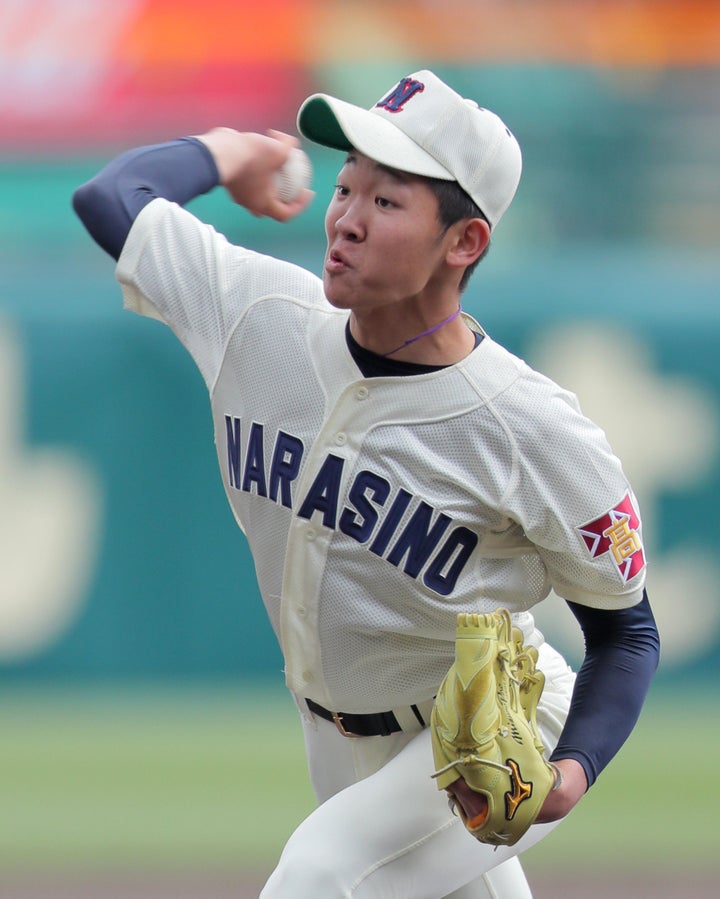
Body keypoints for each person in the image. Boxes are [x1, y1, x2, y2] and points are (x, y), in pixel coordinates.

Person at [73, 70, 660, 898]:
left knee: (317, 878)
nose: (344, 219)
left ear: (464, 243)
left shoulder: (529, 427)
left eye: (386, 203)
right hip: (333, 735)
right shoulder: (260, 314)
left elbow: (627, 632)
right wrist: (231, 151)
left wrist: (569, 775)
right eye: (346, 186)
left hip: (479, 737)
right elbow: (112, 200)